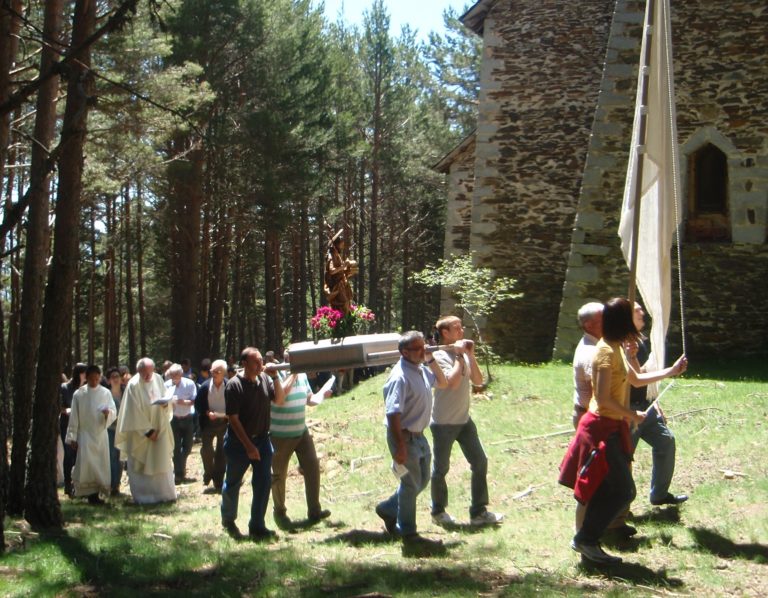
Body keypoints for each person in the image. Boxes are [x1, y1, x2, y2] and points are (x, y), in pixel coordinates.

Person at [559, 298, 687, 564]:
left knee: (609, 489)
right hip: (600, 429)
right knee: (622, 491)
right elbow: (603, 398)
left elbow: (636, 378)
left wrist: (671, 371)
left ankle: (587, 543)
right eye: (633, 316)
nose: (638, 321)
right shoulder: (605, 353)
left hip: (613, 427)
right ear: (622, 322)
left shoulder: (615, 348)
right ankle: (585, 540)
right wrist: (633, 415)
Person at [375, 331, 449, 551]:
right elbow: (393, 413)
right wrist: (399, 446)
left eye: (424, 346)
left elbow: (443, 383)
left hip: (419, 436)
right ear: (404, 352)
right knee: (410, 485)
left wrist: (430, 359)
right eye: (418, 348)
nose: (423, 350)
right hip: (404, 437)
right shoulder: (400, 376)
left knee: (423, 480)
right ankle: (409, 534)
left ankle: (389, 508)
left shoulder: (421, 370)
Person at [429, 316, 504, 527]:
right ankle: (438, 511)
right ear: (445, 333)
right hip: (443, 422)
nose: (462, 330)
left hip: (464, 420)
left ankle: (478, 512)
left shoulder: (461, 352)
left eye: (461, 327)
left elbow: (478, 381)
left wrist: (470, 355)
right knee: (441, 468)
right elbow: (451, 383)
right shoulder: (438, 356)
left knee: (480, 462)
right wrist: (460, 356)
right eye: (456, 328)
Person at [221, 347, 285, 541]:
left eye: (261, 361)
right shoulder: (234, 385)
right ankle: (228, 519)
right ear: (244, 364)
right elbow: (233, 418)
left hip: (264, 440)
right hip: (239, 444)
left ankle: (257, 524)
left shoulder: (265, 379)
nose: (260, 365)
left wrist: (275, 377)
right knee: (233, 482)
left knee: (264, 483)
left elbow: (280, 400)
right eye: (255, 362)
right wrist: (249, 446)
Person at [627, 303, 688, 506]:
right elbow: (635, 378)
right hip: (628, 410)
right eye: (637, 311)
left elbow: (645, 375)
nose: (642, 312)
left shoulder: (640, 341)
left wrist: (655, 401)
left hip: (647, 405)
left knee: (666, 442)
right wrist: (631, 356)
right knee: (624, 458)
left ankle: (659, 494)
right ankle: (619, 509)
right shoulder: (619, 344)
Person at [270, 351, 332, 528]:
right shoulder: (275, 374)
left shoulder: (303, 374)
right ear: (287, 359)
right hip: (281, 434)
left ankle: (314, 511)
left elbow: (308, 399)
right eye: (293, 358)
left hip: (301, 431)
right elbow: (280, 398)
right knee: (279, 475)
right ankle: (280, 513)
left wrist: (320, 395)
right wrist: (294, 373)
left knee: (312, 467)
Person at [115, 357, 177, 504]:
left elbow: (165, 398)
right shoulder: (133, 385)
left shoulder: (158, 380)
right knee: (141, 464)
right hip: (140, 434)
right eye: (145, 373)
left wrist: (165, 405)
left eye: (150, 372)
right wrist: (148, 431)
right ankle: (145, 497)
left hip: (159, 427)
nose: (148, 376)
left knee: (161, 461)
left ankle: (164, 495)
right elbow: (132, 412)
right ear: (139, 371)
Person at [66, 365, 117, 504]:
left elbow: (113, 410)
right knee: (87, 464)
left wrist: (108, 414)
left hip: (100, 433)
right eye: (91, 379)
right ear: (86, 378)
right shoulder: (79, 394)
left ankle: (97, 492)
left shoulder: (105, 393)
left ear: (100, 377)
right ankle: (88, 493)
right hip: (85, 434)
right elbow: (74, 417)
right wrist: (73, 437)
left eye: (97, 378)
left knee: (100, 464)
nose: (94, 381)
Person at [196, 359, 229, 492]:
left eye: (217, 371)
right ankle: (208, 472)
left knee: (222, 452)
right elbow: (198, 404)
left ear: (224, 373)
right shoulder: (204, 386)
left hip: (224, 422)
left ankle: (219, 481)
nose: (214, 374)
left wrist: (227, 415)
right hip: (208, 423)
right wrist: (206, 412)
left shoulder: (229, 385)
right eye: (212, 371)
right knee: (207, 451)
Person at [572, 302, 604, 428]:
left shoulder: (599, 345)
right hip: (591, 418)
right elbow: (598, 390)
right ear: (589, 325)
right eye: (604, 319)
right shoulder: (590, 351)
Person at [165, 363, 198, 484]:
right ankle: (178, 473)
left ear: (181, 374)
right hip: (173, 419)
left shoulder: (189, 384)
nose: (174, 377)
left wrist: (181, 401)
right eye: (172, 374)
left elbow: (194, 400)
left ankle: (181, 464)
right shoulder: (166, 385)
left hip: (187, 417)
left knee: (188, 446)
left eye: (176, 374)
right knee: (176, 447)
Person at [60, 363, 87, 497]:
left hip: (83, 425)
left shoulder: (85, 389)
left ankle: (78, 483)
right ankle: (67, 483)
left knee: (79, 455)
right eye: (84, 373)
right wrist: (67, 411)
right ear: (79, 373)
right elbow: (59, 407)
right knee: (69, 454)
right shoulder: (65, 388)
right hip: (67, 424)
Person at [323, 230, 358, 314]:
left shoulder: (336, 254)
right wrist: (343, 266)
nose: (342, 247)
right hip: (336, 286)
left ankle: (345, 321)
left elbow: (340, 269)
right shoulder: (331, 256)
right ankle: (340, 322)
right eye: (341, 245)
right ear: (336, 244)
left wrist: (347, 269)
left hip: (342, 284)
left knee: (347, 302)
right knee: (343, 304)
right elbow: (332, 271)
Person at [105, 367, 125, 495]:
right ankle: (112, 485)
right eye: (113, 377)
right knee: (112, 457)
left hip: (124, 430)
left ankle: (117, 483)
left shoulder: (126, 392)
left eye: (117, 376)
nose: (116, 379)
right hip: (111, 430)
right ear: (108, 380)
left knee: (121, 457)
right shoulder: (106, 394)